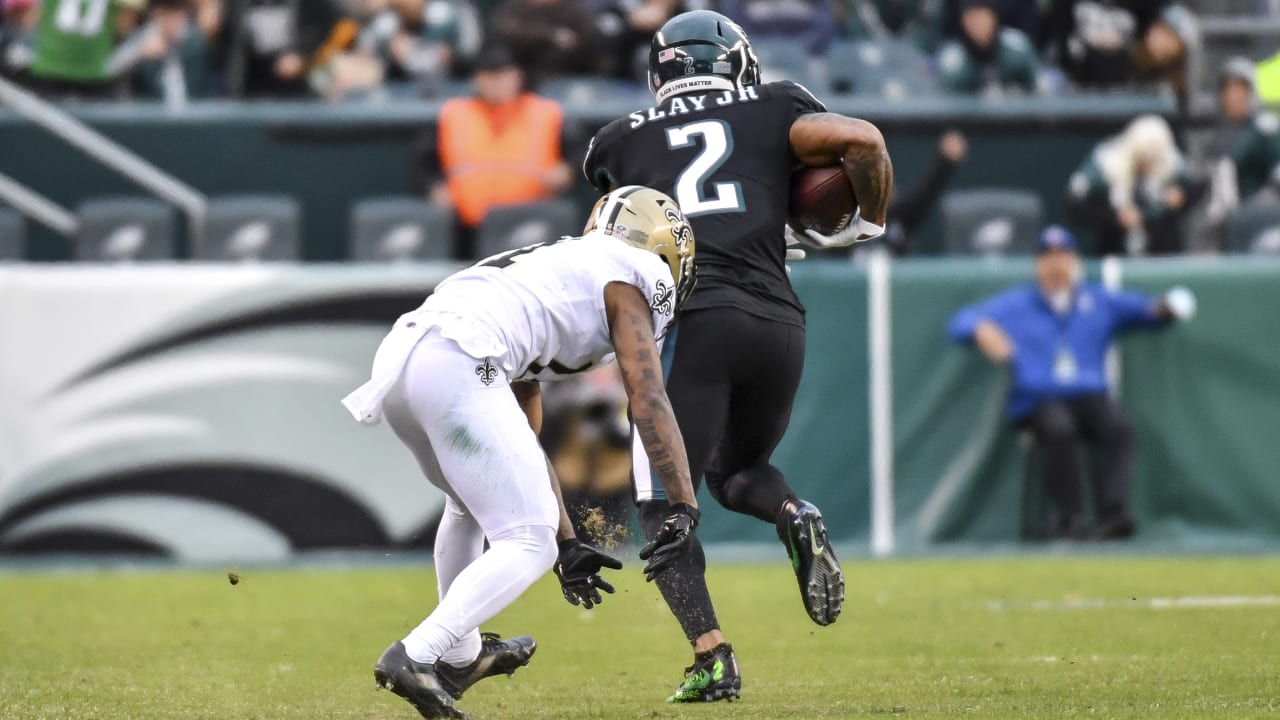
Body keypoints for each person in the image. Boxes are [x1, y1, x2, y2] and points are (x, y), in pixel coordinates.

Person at [582, 9, 893, 703]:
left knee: (664, 504)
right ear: (738, 63)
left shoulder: (617, 140)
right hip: (780, 322)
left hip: (694, 321)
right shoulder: (777, 103)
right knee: (736, 470)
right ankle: (792, 513)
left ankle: (711, 656)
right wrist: (864, 221)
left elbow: (612, 226)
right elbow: (862, 140)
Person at [341, 186, 701, 719]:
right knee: (528, 541)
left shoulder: (559, 269)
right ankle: (415, 654)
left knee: (472, 507)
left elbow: (520, 437)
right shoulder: (628, 274)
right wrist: (684, 505)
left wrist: (570, 541)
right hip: (460, 358)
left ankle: (461, 659)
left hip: (408, 360)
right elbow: (646, 397)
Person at [947, 226, 1196, 541]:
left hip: (1088, 396)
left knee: (1118, 427)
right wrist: (980, 328)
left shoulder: (1097, 299)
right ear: (1037, 264)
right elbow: (959, 321)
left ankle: (1112, 514)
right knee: (1059, 428)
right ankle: (1071, 518)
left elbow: (1146, 311)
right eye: (1048, 257)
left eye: (1062, 256)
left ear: (1075, 261)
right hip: (1038, 398)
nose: (1056, 264)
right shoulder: (1016, 305)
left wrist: (1165, 308)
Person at [412, 43, 575, 259]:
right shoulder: (454, 114)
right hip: (468, 229)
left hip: (533, 224)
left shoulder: (545, 113)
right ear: (477, 79)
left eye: (503, 74)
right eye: (489, 75)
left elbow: (582, 154)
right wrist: (434, 188)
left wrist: (567, 171)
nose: (496, 83)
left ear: (518, 76)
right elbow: (422, 162)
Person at [1066, 114, 1202, 256]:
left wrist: (1181, 195)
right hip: (1115, 250)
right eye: (1144, 157)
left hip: (1162, 253)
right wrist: (1115, 216)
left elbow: (1199, 183)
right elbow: (1075, 202)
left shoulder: (1170, 161)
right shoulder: (1107, 161)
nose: (1148, 164)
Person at [1203, 57, 1280, 235]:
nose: (1233, 96)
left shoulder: (1264, 128)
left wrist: (1261, 203)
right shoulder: (1217, 135)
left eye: (1239, 89)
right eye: (1227, 90)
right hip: (1222, 222)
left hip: (1260, 225)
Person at [936, 0, 1040, 96]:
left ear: (994, 17)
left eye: (982, 17)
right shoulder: (953, 57)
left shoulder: (1017, 46)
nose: (978, 24)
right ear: (963, 21)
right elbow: (944, 98)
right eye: (972, 18)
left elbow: (1040, 87)